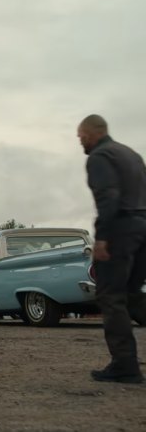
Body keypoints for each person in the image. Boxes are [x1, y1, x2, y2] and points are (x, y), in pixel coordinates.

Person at [78, 114, 146, 384]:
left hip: (120, 229)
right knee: (132, 295)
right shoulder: (131, 155)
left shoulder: (99, 156)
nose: (80, 141)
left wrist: (102, 238)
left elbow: (108, 197)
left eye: (81, 136)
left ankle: (124, 365)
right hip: (143, 227)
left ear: (92, 133)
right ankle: (125, 363)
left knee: (111, 296)